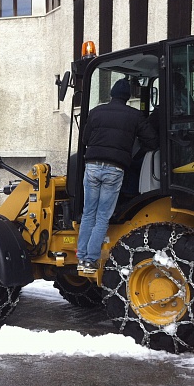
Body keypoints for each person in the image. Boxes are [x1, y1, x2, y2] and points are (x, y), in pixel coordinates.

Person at [77, 78, 159, 274]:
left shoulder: (96, 112)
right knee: (103, 217)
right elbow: (152, 140)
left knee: (88, 213)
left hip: (93, 166)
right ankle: (91, 260)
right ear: (127, 96)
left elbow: (86, 139)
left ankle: (81, 257)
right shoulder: (134, 115)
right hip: (115, 169)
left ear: (112, 94)